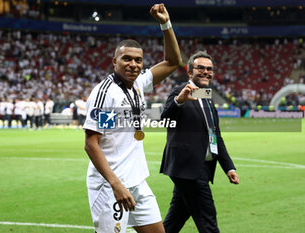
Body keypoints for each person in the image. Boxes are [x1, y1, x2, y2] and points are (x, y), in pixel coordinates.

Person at [83, 4, 181, 233]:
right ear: (114, 62)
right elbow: (91, 144)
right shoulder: (106, 94)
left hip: (136, 181)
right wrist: (115, 185)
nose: (133, 65)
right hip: (110, 186)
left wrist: (165, 24)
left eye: (138, 60)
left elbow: (173, 62)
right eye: (126, 59)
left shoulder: (137, 84)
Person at [160, 50, 240, 233]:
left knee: (175, 220)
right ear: (190, 72)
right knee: (208, 221)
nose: (206, 72)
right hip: (188, 167)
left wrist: (228, 167)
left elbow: (215, 135)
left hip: (200, 167)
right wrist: (178, 101)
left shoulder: (206, 96)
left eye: (209, 69)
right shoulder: (180, 91)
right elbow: (164, 119)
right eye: (200, 68)